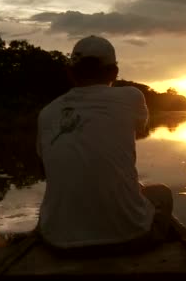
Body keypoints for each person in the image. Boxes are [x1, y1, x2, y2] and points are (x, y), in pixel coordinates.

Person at [35, 35, 173, 250]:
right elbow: (141, 131)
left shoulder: (47, 113)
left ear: (70, 72)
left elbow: (45, 168)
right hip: (130, 237)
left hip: (58, 243)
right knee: (162, 193)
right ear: (114, 73)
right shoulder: (132, 97)